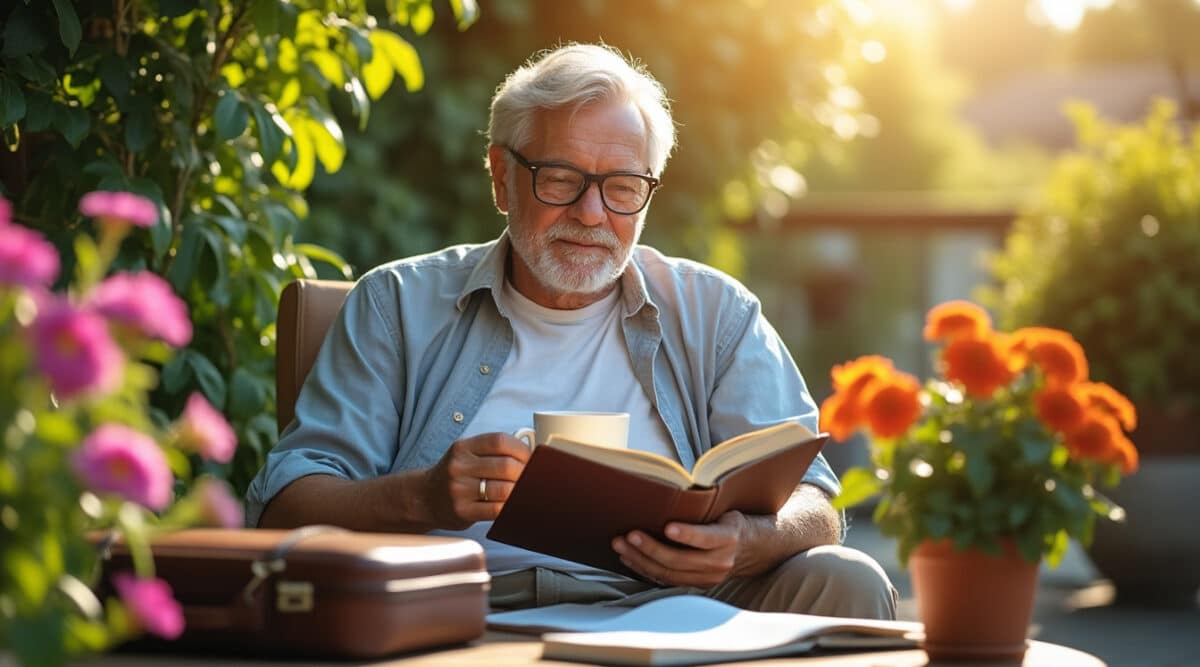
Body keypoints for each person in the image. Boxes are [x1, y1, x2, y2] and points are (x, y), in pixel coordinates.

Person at [246, 43, 896, 619]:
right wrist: (421, 497)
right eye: (561, 179)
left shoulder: (716, 313)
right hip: (457, 606)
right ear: (503, 177)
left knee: (847, 580)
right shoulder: (397, 303)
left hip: (675, 606)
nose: (592, 214)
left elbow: (814, 496)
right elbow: (285, 503)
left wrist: (747, 543)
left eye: (621, 186)